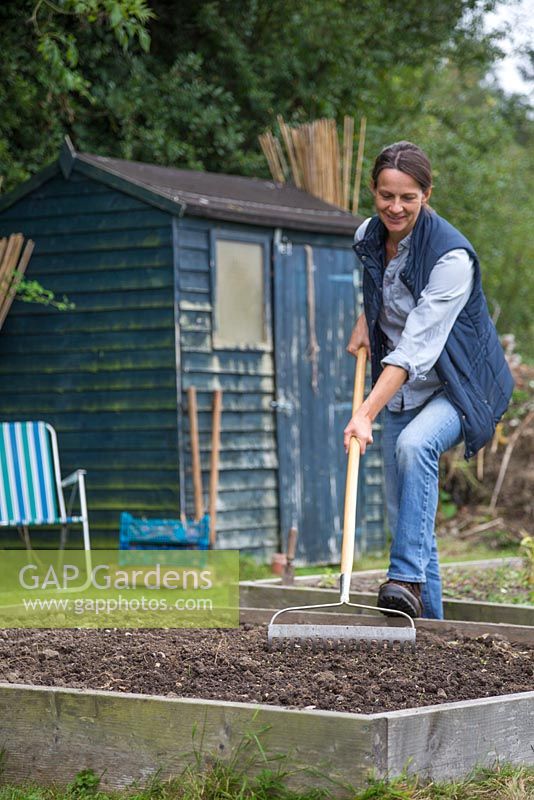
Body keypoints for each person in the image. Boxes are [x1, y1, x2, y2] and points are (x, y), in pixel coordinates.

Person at [344, 141, 513, 620]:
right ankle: (432, 633)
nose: (395, 207)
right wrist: (367, 314)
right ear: (373, 192)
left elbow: (418, 345)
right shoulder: (368, 236)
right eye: (385, 195)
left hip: (462, 387)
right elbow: (384, 284)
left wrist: (364, 413)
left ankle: (404, 580)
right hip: (406, 387)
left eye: (408, 197)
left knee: (416, 445)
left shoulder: (451, 259)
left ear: (427, 194)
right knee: (408, 521)